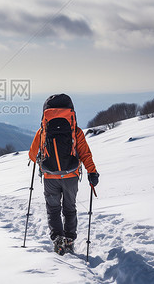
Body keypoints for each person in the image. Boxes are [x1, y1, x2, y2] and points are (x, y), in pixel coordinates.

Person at [28, 94, 99, 255]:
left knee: (53, 209)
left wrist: (41, 163)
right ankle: (69, 240)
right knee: (70, 208)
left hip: (50, 176)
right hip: (70, 176)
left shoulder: (42, 131)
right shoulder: (76, 131)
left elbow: (32, 154)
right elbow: (85, 154)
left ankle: (58, 239)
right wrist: (92, 172)